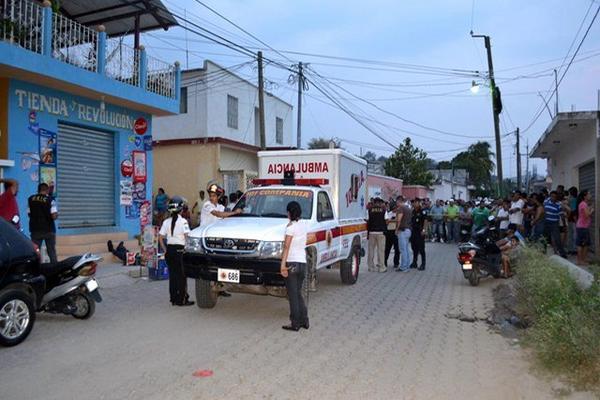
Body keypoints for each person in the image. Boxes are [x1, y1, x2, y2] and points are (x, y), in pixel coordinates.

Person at [279, 201, 309, 332]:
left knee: (293, 296)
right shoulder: (303, 226)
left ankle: (295, 323)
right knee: (298, 293)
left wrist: (282, 265)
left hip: (291, 263)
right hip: (302, 262)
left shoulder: (290, 228)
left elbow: (286, 246)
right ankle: (304, 320)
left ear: (289, 213)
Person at [159, 198, 194, 306]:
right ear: (181, 209)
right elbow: (187, 237)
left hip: (170, 250)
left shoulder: (166, 222)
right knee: (182, 277)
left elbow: (160, 238)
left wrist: (165, 250)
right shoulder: (183, 221)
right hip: (180, 251)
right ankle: (182, 300)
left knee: (173, 276)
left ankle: (173, 299)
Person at [27, 183, 58, 263]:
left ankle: (35, 270)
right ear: (47, 190)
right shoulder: (51, 200)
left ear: (38, 190)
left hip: (35, 230)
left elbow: (29, 214)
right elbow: (54, 216)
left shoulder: (30, 199)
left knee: (35, 251)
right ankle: (55, 270)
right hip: (49, 229)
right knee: (51, 252)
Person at [544, 191, 567, 258]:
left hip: (554, 223)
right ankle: (542, 252)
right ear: (550, 197)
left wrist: (564, 225)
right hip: (546, 222)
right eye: (552, 196)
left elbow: (562, 216)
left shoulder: (558, 205)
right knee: (544, 238)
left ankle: (562, 253)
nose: (553, 198)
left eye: (554, 197)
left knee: (557, 239)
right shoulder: (546, 203)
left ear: (556, 198)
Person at [367, 197, 387, 273]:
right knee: (381, 250)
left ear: (374, 202)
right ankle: (381, 267)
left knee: (371, 250)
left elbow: (367, 220)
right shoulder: (384, 210)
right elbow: (386, 220)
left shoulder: (369, 210)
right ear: (380, 203)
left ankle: (371, 267)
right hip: (381, 232)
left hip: (372, 232)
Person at [409, 198, 429, 270]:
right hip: (413, 231)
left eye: (415, 202)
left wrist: (424, 230)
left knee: (421, 248)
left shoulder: (422, 211)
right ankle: (414, 262)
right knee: (414, 247)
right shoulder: (413, 211)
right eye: (413, 203)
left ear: (418, 203)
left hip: (420, 232)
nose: (413, 204)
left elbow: (425, 221)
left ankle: (423, 264)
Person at [575, 190, 594, 266]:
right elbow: (587, 215)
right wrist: (592, 210)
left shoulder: (583, 204)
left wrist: (590, 207)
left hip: (582, 226)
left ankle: (582, 260)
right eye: (589, 194)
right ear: (585, 196)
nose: (590, 195)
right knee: (582, 244)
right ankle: (580, 261)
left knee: (583, 244)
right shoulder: (583, 204)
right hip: (582, 227)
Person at [395, 195, 412, 272]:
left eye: (397, 202)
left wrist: (396, 229)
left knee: (402, 249)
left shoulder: (401, 209)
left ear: (399, 201)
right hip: (408, 230)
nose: (396, 203)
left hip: (402, 230)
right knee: (406, 249)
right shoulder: (408, 208)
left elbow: (399, 220)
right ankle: (407, 265)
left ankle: (403, 267)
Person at [384, 202, 400, 269]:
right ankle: (384, 262)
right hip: (389, 232)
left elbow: (398, 221)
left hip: (395, 232)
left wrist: (393, 220)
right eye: (394, 208)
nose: (395, 209)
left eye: (396, 208)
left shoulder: (398, 214)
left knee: (397, 249)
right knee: (387, 248)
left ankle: (396, 263)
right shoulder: (389, 213)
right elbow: (387, 222)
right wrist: (394, 220)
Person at [567, 186, 579, 255]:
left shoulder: (573, 200)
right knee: (573, 234)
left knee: (572, 235)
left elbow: (573, 211)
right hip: (572, 219)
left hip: (573, 219)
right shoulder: (574, 199)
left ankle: (572, 249)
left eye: (570, 193)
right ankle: (572, 249)